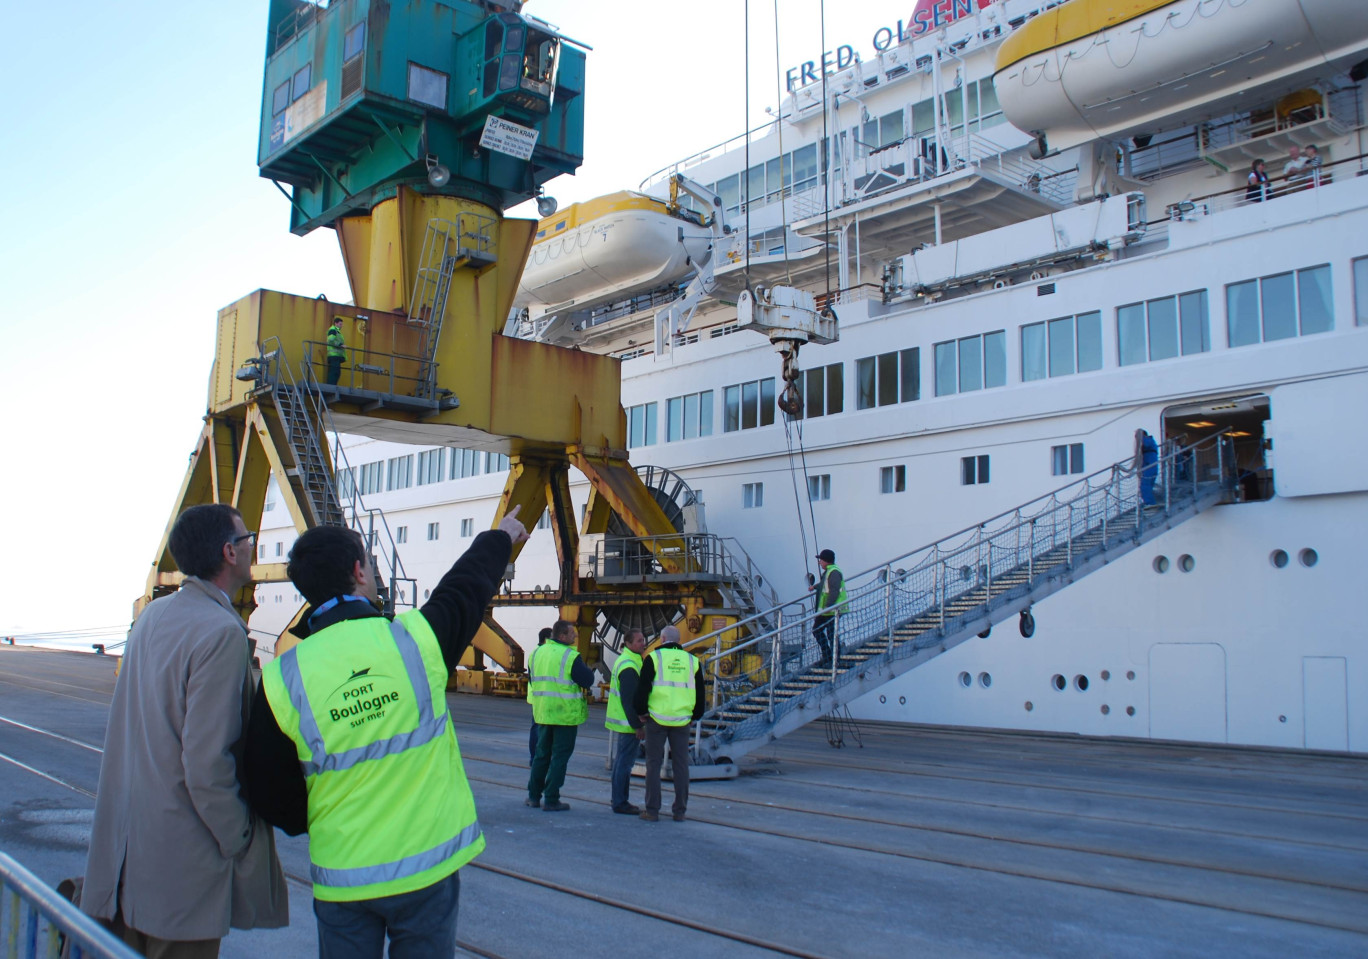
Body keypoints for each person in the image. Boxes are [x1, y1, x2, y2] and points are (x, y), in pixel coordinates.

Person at [244, 506, 528, 958]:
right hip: (425, 869)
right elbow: (464, 590)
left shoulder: (282, 678)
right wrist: (500, 538)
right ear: (359, 572)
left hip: (343, 876)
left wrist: (312, 822)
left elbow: (265, 785)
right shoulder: (414, 640)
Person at [82, 504, 288, 958]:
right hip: (181, 865)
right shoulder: (220, 633)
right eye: (246, 537)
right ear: (228, 553)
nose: (253, 545)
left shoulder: (153, 618)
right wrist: (239, 837)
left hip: (124, 853)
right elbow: (207, 763)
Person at [633, 625, 705, 822]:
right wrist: (695, 715)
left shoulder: (654, 658)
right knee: (681, 766)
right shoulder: (692, 661)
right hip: (682, 721)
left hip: (656, 719)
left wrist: (641, 712)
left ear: (662, 639)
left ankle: (652, 810)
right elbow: (700, 692)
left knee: (653, 765)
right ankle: (680, 811)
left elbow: (643, 688)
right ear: (679, 640)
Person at [526, 618, 594, 812]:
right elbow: (587, 679)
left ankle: (533, 796)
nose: (575, 636)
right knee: (559, 757)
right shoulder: (570, 656)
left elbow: (532, 679)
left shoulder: (536, 653)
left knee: (541, 754)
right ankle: (551, 798)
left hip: (543, 712)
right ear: (562, 635)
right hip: (564, 714)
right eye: (573, 633)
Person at [605, 628, 647, 814]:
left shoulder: (629, 661)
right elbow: (629, 700)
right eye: (638, 641)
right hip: (628, 723)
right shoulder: (629, 666)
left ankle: (618, 799)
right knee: (625, 763)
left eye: (643, 640)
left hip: (623, 721)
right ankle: (621, 802)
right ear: (628, 644)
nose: (643, 643)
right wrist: (637, 725)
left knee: (621, 761)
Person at [809, 548, 846, 668]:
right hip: (826, 610)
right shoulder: (829, 572)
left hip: (831, 610)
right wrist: (815, 587)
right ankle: (828, 656)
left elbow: (834, 591)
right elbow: (826, 585)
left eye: (820, 560)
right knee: (818, 630)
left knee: (830, 634)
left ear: (826, 560)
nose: (819, 562)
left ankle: (834, 659)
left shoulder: (834, 572)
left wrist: (828, 607)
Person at [529, 626, 552, 764]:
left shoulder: (534, 653)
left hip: (535, 696)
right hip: (544, 696)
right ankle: (538, 758)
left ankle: (534, 757)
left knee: (536, 728)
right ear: (546, 639)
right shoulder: (546, 653)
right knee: (540, 729)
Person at [1136, 428, 1159, 506]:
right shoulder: (1151, 442)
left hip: (1149, 465)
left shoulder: (1148, 440)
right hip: (1151, 465)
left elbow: (1145, 444)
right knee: (1148, 485)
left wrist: (1141, 438)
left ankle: (1150, 503)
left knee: (1145, 485)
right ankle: (1150, 502)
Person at [325, 316, 346, 386]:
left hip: (336, 356)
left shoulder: (336, 331)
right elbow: (330, 341)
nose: (341, 326)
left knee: (336, 372)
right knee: (334, 372)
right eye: (340, 324)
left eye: (341, 324)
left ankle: (332, 385)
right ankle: (331, 386)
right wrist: (340, 345)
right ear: (336, 323)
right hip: (334, 355)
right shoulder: (333, 330)